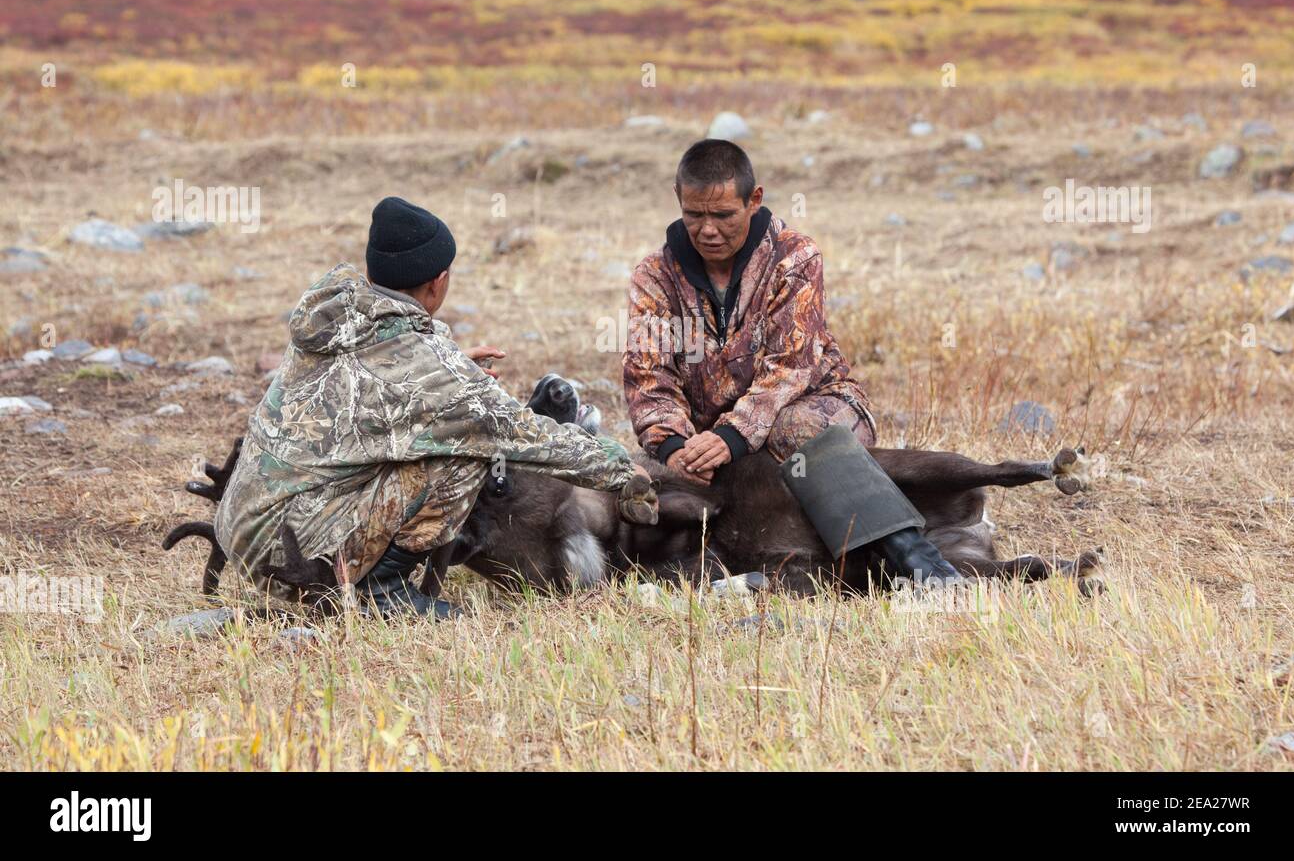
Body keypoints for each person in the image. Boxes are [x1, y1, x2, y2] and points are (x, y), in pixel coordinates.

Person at [216, 196, 655, 615]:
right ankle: (379, 593)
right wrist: (622, 470)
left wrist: (455, 368)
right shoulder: (433, 371)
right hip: (296, 555)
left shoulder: (334, 317)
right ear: (439, 281)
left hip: (242, 531)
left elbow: (376, 385)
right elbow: (525, 435)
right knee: (467, 452)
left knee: (447, 433)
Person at [623, 141, 957, 583]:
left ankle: (919, 562)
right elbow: (649, 377)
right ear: (677, 199)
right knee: (649, 475)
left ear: (754, 199)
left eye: (723, 215)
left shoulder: (796, 257)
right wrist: (675, 447)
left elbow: (789, 366)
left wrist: (733, 434)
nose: (707, 230)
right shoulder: (654, 276)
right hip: (712, 441)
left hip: (817, 407)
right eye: (694, 215)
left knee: (793, 430)